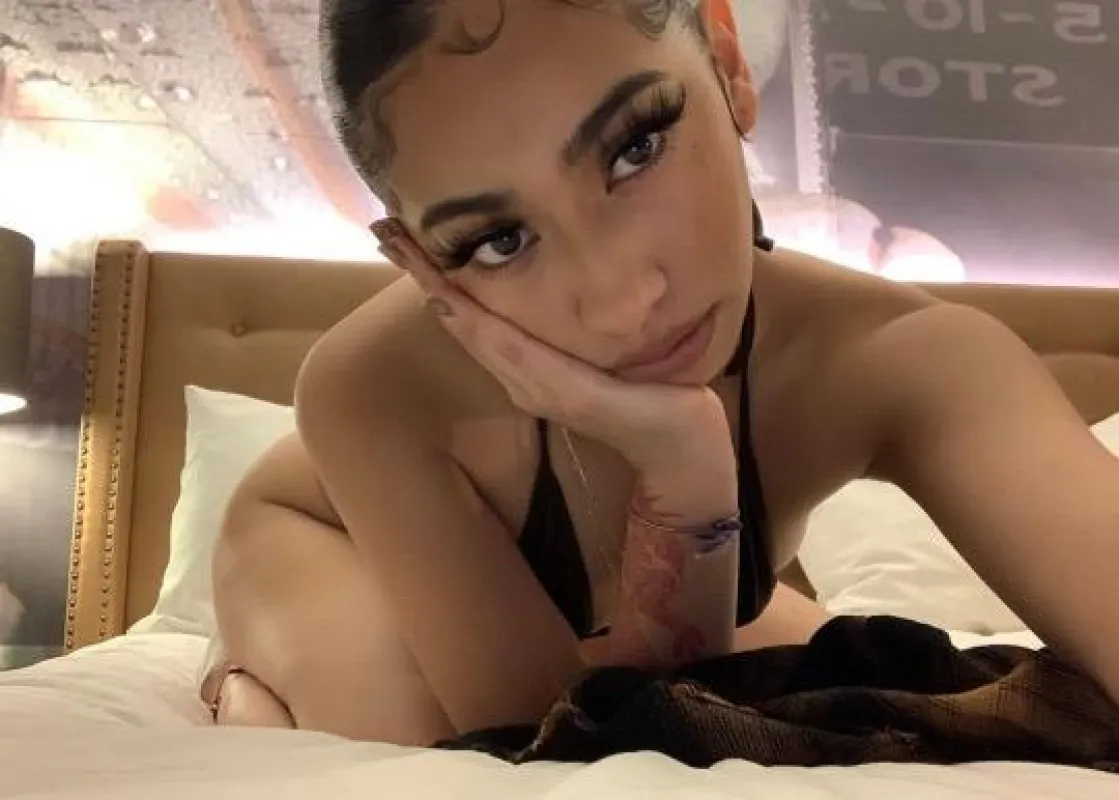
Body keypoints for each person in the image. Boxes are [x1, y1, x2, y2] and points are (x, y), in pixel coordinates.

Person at [202, 0, 1119, 747]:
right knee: (414, 748)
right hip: (323, 533)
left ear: (726, 64)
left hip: (632, 611)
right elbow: (535, 752)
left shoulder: (900, 355)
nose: (619, 302)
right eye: (497, 240)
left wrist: (687, 468)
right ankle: (242, 691)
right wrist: (686, 473)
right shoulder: (372, 389)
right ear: (414, 256)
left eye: (635, 147)